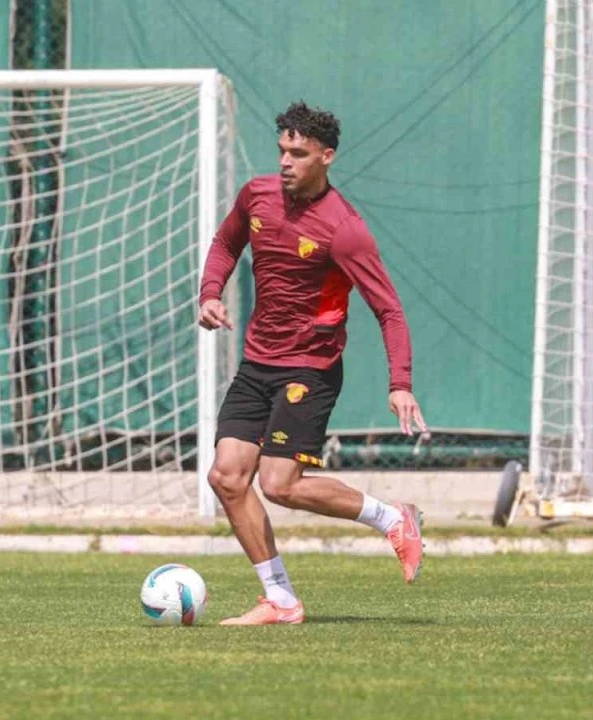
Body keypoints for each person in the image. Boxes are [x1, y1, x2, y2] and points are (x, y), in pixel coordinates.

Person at [198, 101, 427, 626]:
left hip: (310, 368)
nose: (286, 162)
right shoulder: (256, 196)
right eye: (282, 150)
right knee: (227, 477)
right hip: (257, 362)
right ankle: (280, 600)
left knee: (279, 484)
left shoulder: (344, 229)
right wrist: (210, 292)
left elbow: (389, 309)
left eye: (298, 154)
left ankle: (393, 518)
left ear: (326, 157)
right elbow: (226, 242)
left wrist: (400, 382)